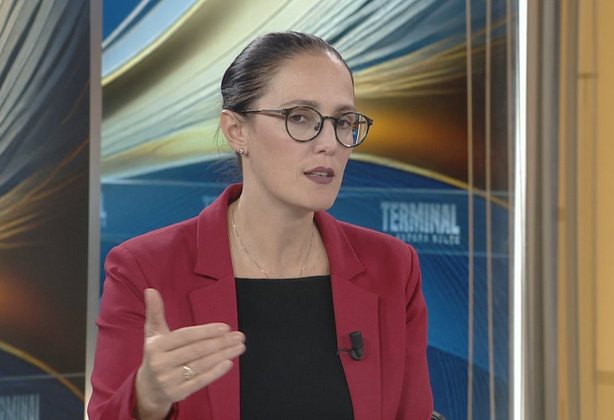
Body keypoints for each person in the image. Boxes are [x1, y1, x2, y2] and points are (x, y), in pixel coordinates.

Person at [88, 31, 433, 420]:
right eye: (300, 117)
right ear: (237, 131)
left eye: (343, 121)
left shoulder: (393, 268)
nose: (330, 143)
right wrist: (147, 400)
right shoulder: (144, 270)